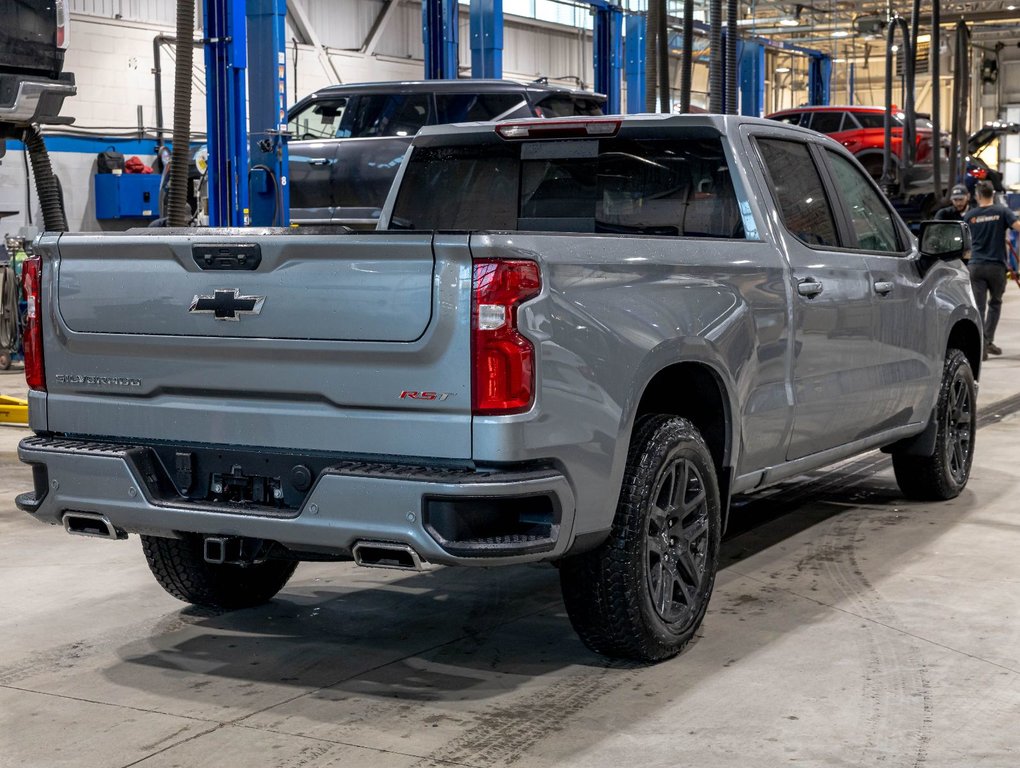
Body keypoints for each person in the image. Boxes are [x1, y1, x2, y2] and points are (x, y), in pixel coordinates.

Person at [963, 180, 1020, 358]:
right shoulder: (1002, 211)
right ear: (993, 195)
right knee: (995, 304)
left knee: (978, 307)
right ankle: (987, 341)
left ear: (977, 196)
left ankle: (981, 345)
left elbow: (964, 241)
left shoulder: (970, 215)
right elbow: (1017, 227)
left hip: (976, 266)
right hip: (996, 266)